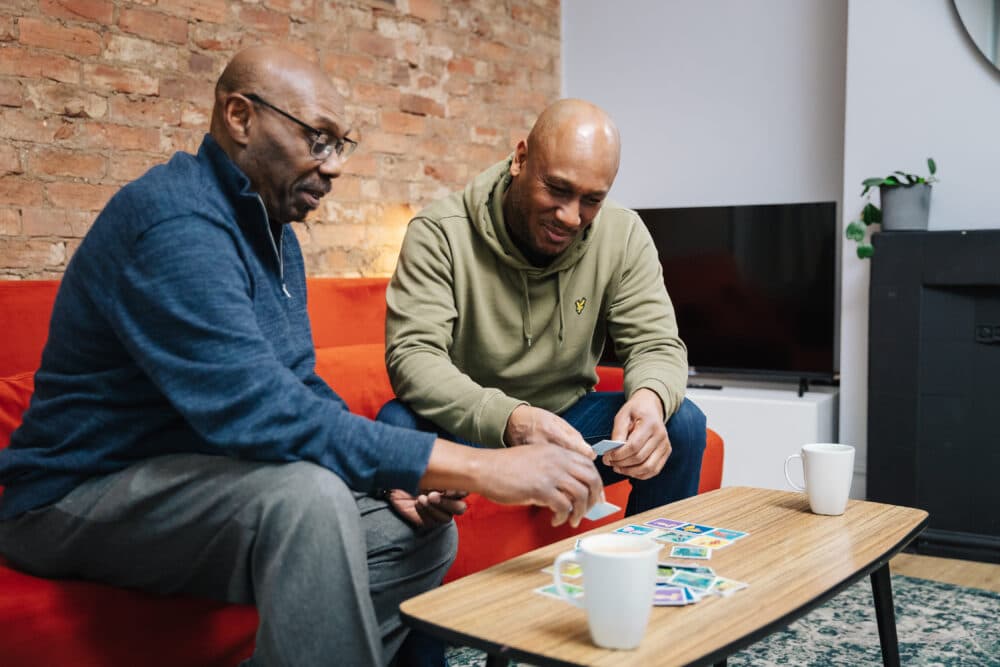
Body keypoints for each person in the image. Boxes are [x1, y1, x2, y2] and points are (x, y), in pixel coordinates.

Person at [0, 48, 603, 667]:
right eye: (318, 139)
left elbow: (300, 388)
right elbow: (259, 413)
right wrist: (480, 467)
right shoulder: (174, 223)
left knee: (414, 533)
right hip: (70, 497)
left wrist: (392, 477)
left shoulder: (274, 232)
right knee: (306, 500)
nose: (332, 167)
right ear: (239, 116)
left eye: (341, 145)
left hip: (194, 479)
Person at [379, 99, 707, 517]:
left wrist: (650, 400)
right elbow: (413, 357)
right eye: (558, 189)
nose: (571, 217)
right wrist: (512, 419)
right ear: (520, 159)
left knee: (684, 423)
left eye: (592, 200)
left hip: (571, 427)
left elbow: (656, 343)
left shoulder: (623, 234)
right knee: (397, 424)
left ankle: (651, 572)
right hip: (473, 429)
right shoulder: (439, 233)